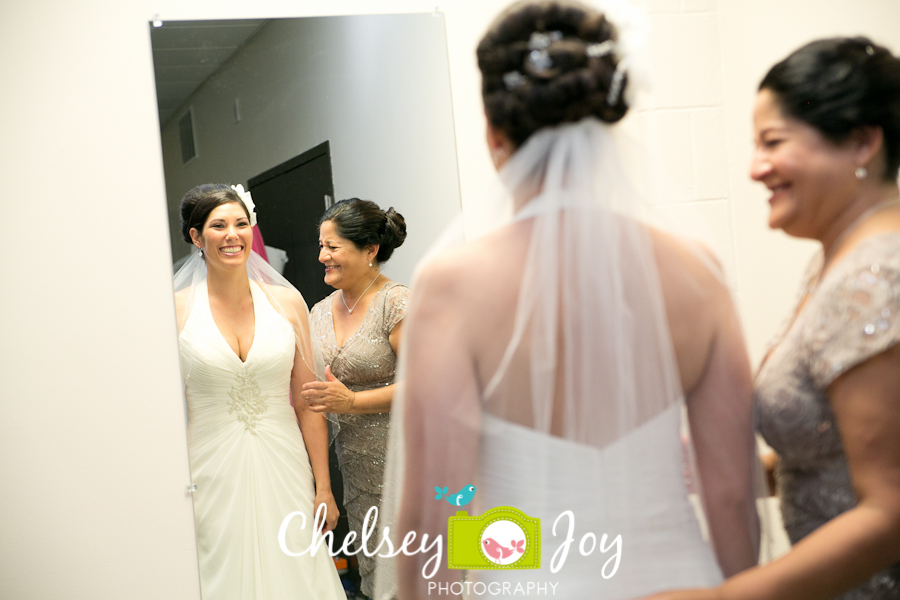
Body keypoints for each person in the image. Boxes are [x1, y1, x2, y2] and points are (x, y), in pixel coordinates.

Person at [377, 2, 760, 599]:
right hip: (683, 581)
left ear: (493, 131)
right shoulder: (697, 272)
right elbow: (732, 493)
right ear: (608, 122)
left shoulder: (454, 285)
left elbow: (438, 507)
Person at [647, 37, 900, 600]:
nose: (755, 168)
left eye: (772, 142)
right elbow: (839, 453)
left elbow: (890, 507)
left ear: (861, 142)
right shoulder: (838, 261)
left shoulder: (875, 277)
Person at [174, 183, 345, 600]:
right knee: (221, 569)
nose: (233, 235)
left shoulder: (287, 303)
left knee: (297, 568)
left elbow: (308, 401)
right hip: (209, 468)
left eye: (241, 223)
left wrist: (323, 485)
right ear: (196, 237)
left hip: (284, 461)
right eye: (218, 226)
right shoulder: (174, 309)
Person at [302, 198, 410, 598]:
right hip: (358, 471)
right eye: (321, 246)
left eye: (332, 247)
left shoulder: (397, 303)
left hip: (410, 461)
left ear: (370, 250)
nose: (321, 256)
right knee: (380, 580)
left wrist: (352, 403)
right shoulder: (317, 312)